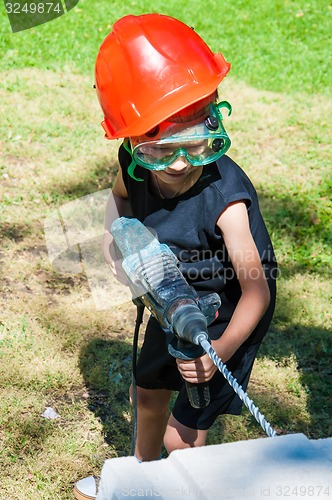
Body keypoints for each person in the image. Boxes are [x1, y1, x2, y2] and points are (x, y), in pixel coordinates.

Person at [74, 13, 277, 499]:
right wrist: (114, 244)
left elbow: (257, 290)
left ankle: (187, 488)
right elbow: (120, 200)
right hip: (169, 297)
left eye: (196, 143)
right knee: (147, 396)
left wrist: (218, 354)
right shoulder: (133, 162)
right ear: (133, 140)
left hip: (226, 316)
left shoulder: (224, 198)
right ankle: (138, 480)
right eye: (161, 151)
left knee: (181, 434)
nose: (182, 162)